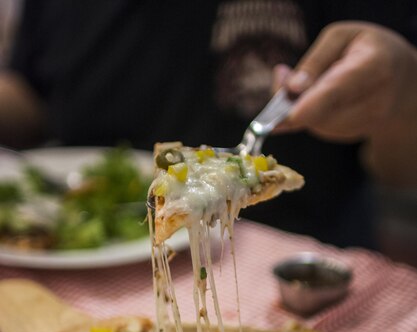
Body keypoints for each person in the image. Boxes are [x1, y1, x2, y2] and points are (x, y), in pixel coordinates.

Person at [0, 1, 416, 251]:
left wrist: (405, 93)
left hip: (306, 280)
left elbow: (404, 170)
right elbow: (34, 99)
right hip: (75, 264)